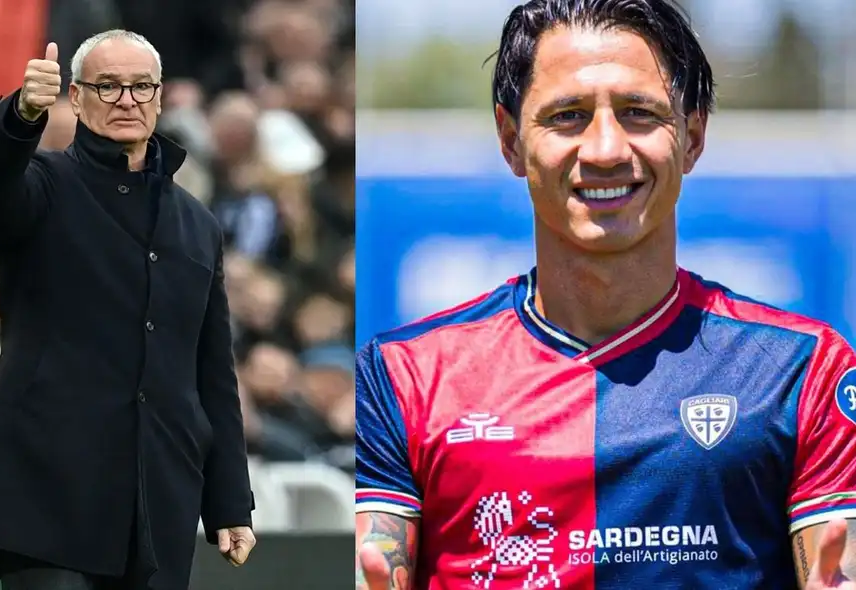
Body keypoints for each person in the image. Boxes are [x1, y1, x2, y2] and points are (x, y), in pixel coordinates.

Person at [354, 1, 856, 589]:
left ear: (692, 136)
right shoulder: (402, 376)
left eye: (639, 113)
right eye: (567, 115)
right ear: (511, 139)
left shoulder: (806, 370)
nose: (605, 150)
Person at [0, 29, 256, 590]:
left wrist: (230, 499)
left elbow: (211, 371)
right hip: (46, 489)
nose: (126, 100)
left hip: (155, 499)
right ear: (78, 99)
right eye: (107, 87)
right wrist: (20, 115)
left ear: (160, 98)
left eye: (140, 87)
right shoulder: (43, 185)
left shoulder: (197, 223)